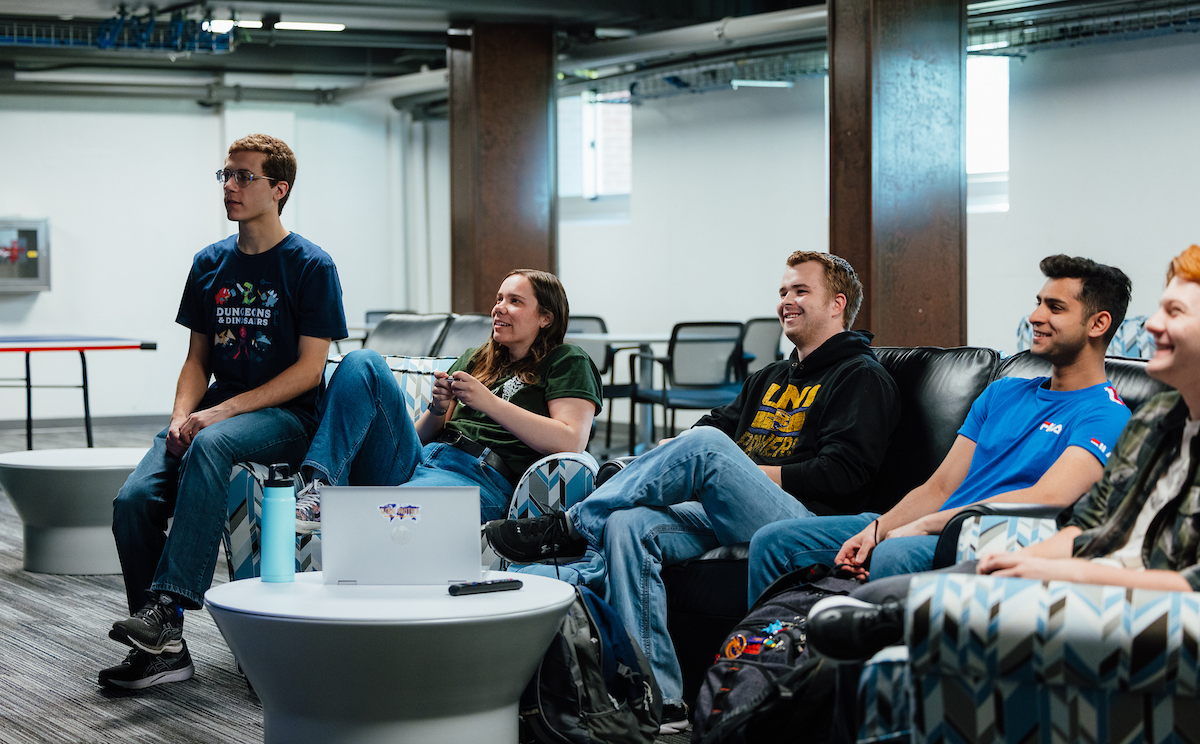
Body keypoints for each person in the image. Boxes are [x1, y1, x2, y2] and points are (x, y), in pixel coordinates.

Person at [485, 251, 902, 733]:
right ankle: (659, 702)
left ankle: (570, 524)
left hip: (806, 520)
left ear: (837, 305)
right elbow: (710, 425)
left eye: (800, 291)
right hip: (729, 509)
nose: (785, 301)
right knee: (629, 523)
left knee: (705, 449)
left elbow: (843, 473)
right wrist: (671, 457)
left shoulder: (862, 376)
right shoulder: (770, 377)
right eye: (783, 291)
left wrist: (735, 472)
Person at [806, 242, 1200, 665]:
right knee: (865, 605)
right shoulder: (1158, 417)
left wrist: (1053, 571)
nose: (1152, 325)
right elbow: (1089, 526)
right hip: (1031, 553)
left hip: (1133, 607)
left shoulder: (1109, 414)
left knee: (879, 608)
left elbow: (1057, 504)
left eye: (1174, 312)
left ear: (1097, 323)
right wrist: (1011, 561)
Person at [101, 134, 348, 690]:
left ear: (279, 189)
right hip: (216, 411)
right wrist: (180, 415)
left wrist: (219, 416)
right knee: (134, 501)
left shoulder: (312, 266)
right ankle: (164, 651)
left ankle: (166, 609)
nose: (230, 187)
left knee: (212, 444)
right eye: (226, 176)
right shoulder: (209, 263)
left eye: (244, 177)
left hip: (287, 418)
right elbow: (196, 359)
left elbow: (310, 370)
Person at [747, 254, 1134, 603]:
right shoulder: (1003, 392)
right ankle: (762, 667)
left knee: (895, 552)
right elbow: (941, 487)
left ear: (1098, 323)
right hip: (928, 525)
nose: (1035, 316)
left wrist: (924, 526)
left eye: (1055, 307)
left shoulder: (1106, 414)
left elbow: (1048, 497)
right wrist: (881, 527)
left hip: (976, 538)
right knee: (775, 540)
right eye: (1038, 303)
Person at [295, 268, 603, 525]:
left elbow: (570, 441)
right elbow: (421, 437)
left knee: (393, 515)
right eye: (499, 299)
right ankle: (320, 488)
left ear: (545, 317)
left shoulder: (566, 360)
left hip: (479, 477)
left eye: (515, 301)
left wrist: (489, 402)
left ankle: (369, 512)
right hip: (422, 461)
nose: (499, 307)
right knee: (363, 362)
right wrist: (438, 409)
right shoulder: (476, 358)